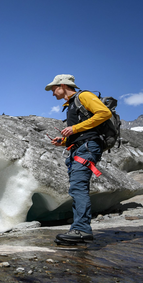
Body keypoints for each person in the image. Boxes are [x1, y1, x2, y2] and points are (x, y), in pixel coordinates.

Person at [45, 74, 112, 244]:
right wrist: (64, 141)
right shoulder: (71, 105)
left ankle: (81, 230)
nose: (53, 93)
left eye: (54, 89)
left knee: (78, 188)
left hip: (87, 148)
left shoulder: (83, 96)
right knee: (76, 188)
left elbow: (104, 113)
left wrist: (74, 128)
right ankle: (78, 229)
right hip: (80, 148)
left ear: (63, 85)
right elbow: (80, 132)